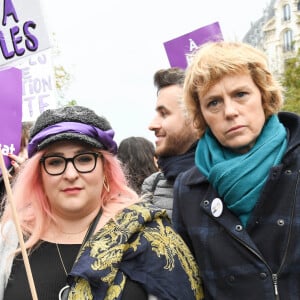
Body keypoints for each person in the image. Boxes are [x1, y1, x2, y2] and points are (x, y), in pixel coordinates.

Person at [0, 105, 203, 300]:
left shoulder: (150, 236)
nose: (70, 174)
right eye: (55, 162)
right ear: (39, 174)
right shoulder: (13, 238)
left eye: (84, 159)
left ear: (106, 169)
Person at [172, 41, 300, 299]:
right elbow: (186, 286)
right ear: (201, 114)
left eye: (241, 94)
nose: (230, 112)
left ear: (264, 95)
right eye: (214, 103)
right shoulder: (188, 189)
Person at [141, 67, 200, 219]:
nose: (152, 125)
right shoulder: (152, 186)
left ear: (197, 120)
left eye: (164, 114)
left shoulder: (229, 182)